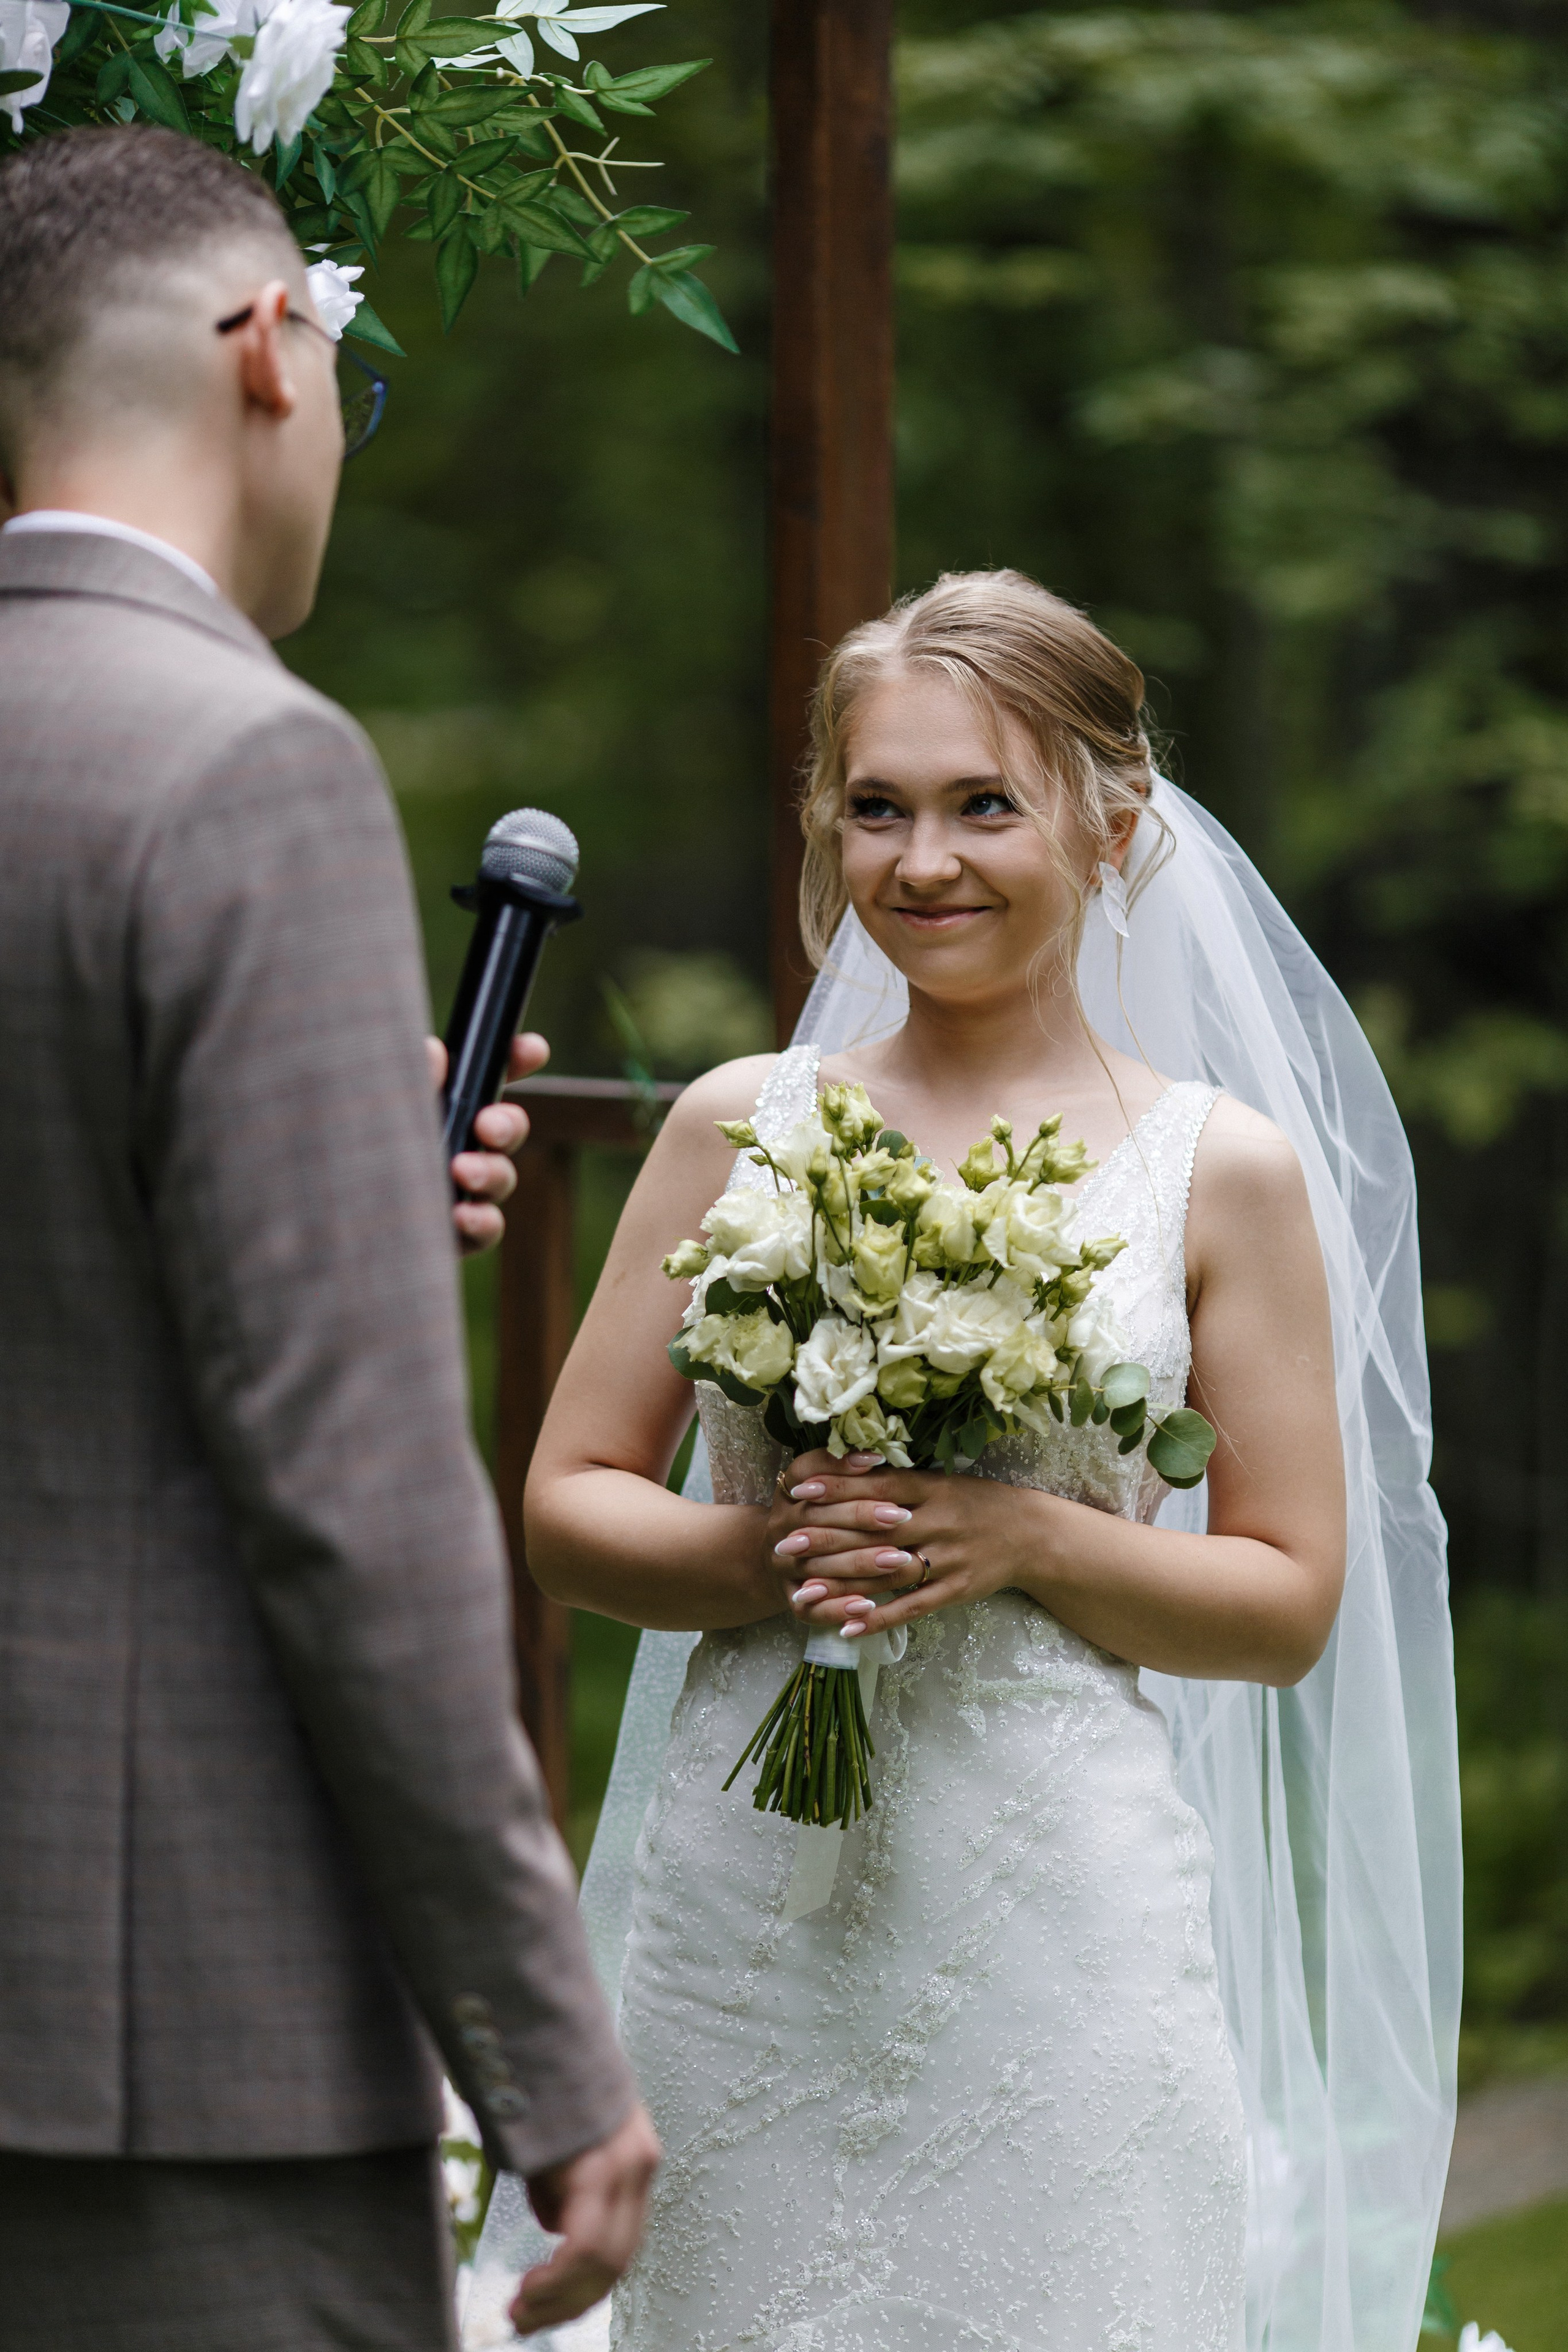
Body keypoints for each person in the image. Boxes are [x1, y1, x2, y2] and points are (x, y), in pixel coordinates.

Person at [468, 571, 1460, 2351]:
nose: (923, 859)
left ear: (1109, 821)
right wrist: (768, 1554)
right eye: (878, 807)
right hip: (751, 1919)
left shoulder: (1212, 1172)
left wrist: (1016, 1537)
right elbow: (567, 1508)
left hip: (1055, 1922)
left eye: (983, 804)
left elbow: (1285, 1601)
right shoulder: (734, 1127)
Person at [0, 124, 657, 2351]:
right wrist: (550, 2060)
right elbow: (351, 1508)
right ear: (273, 349)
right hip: (151, 2029)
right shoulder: (239, 770)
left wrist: (328, 1214)